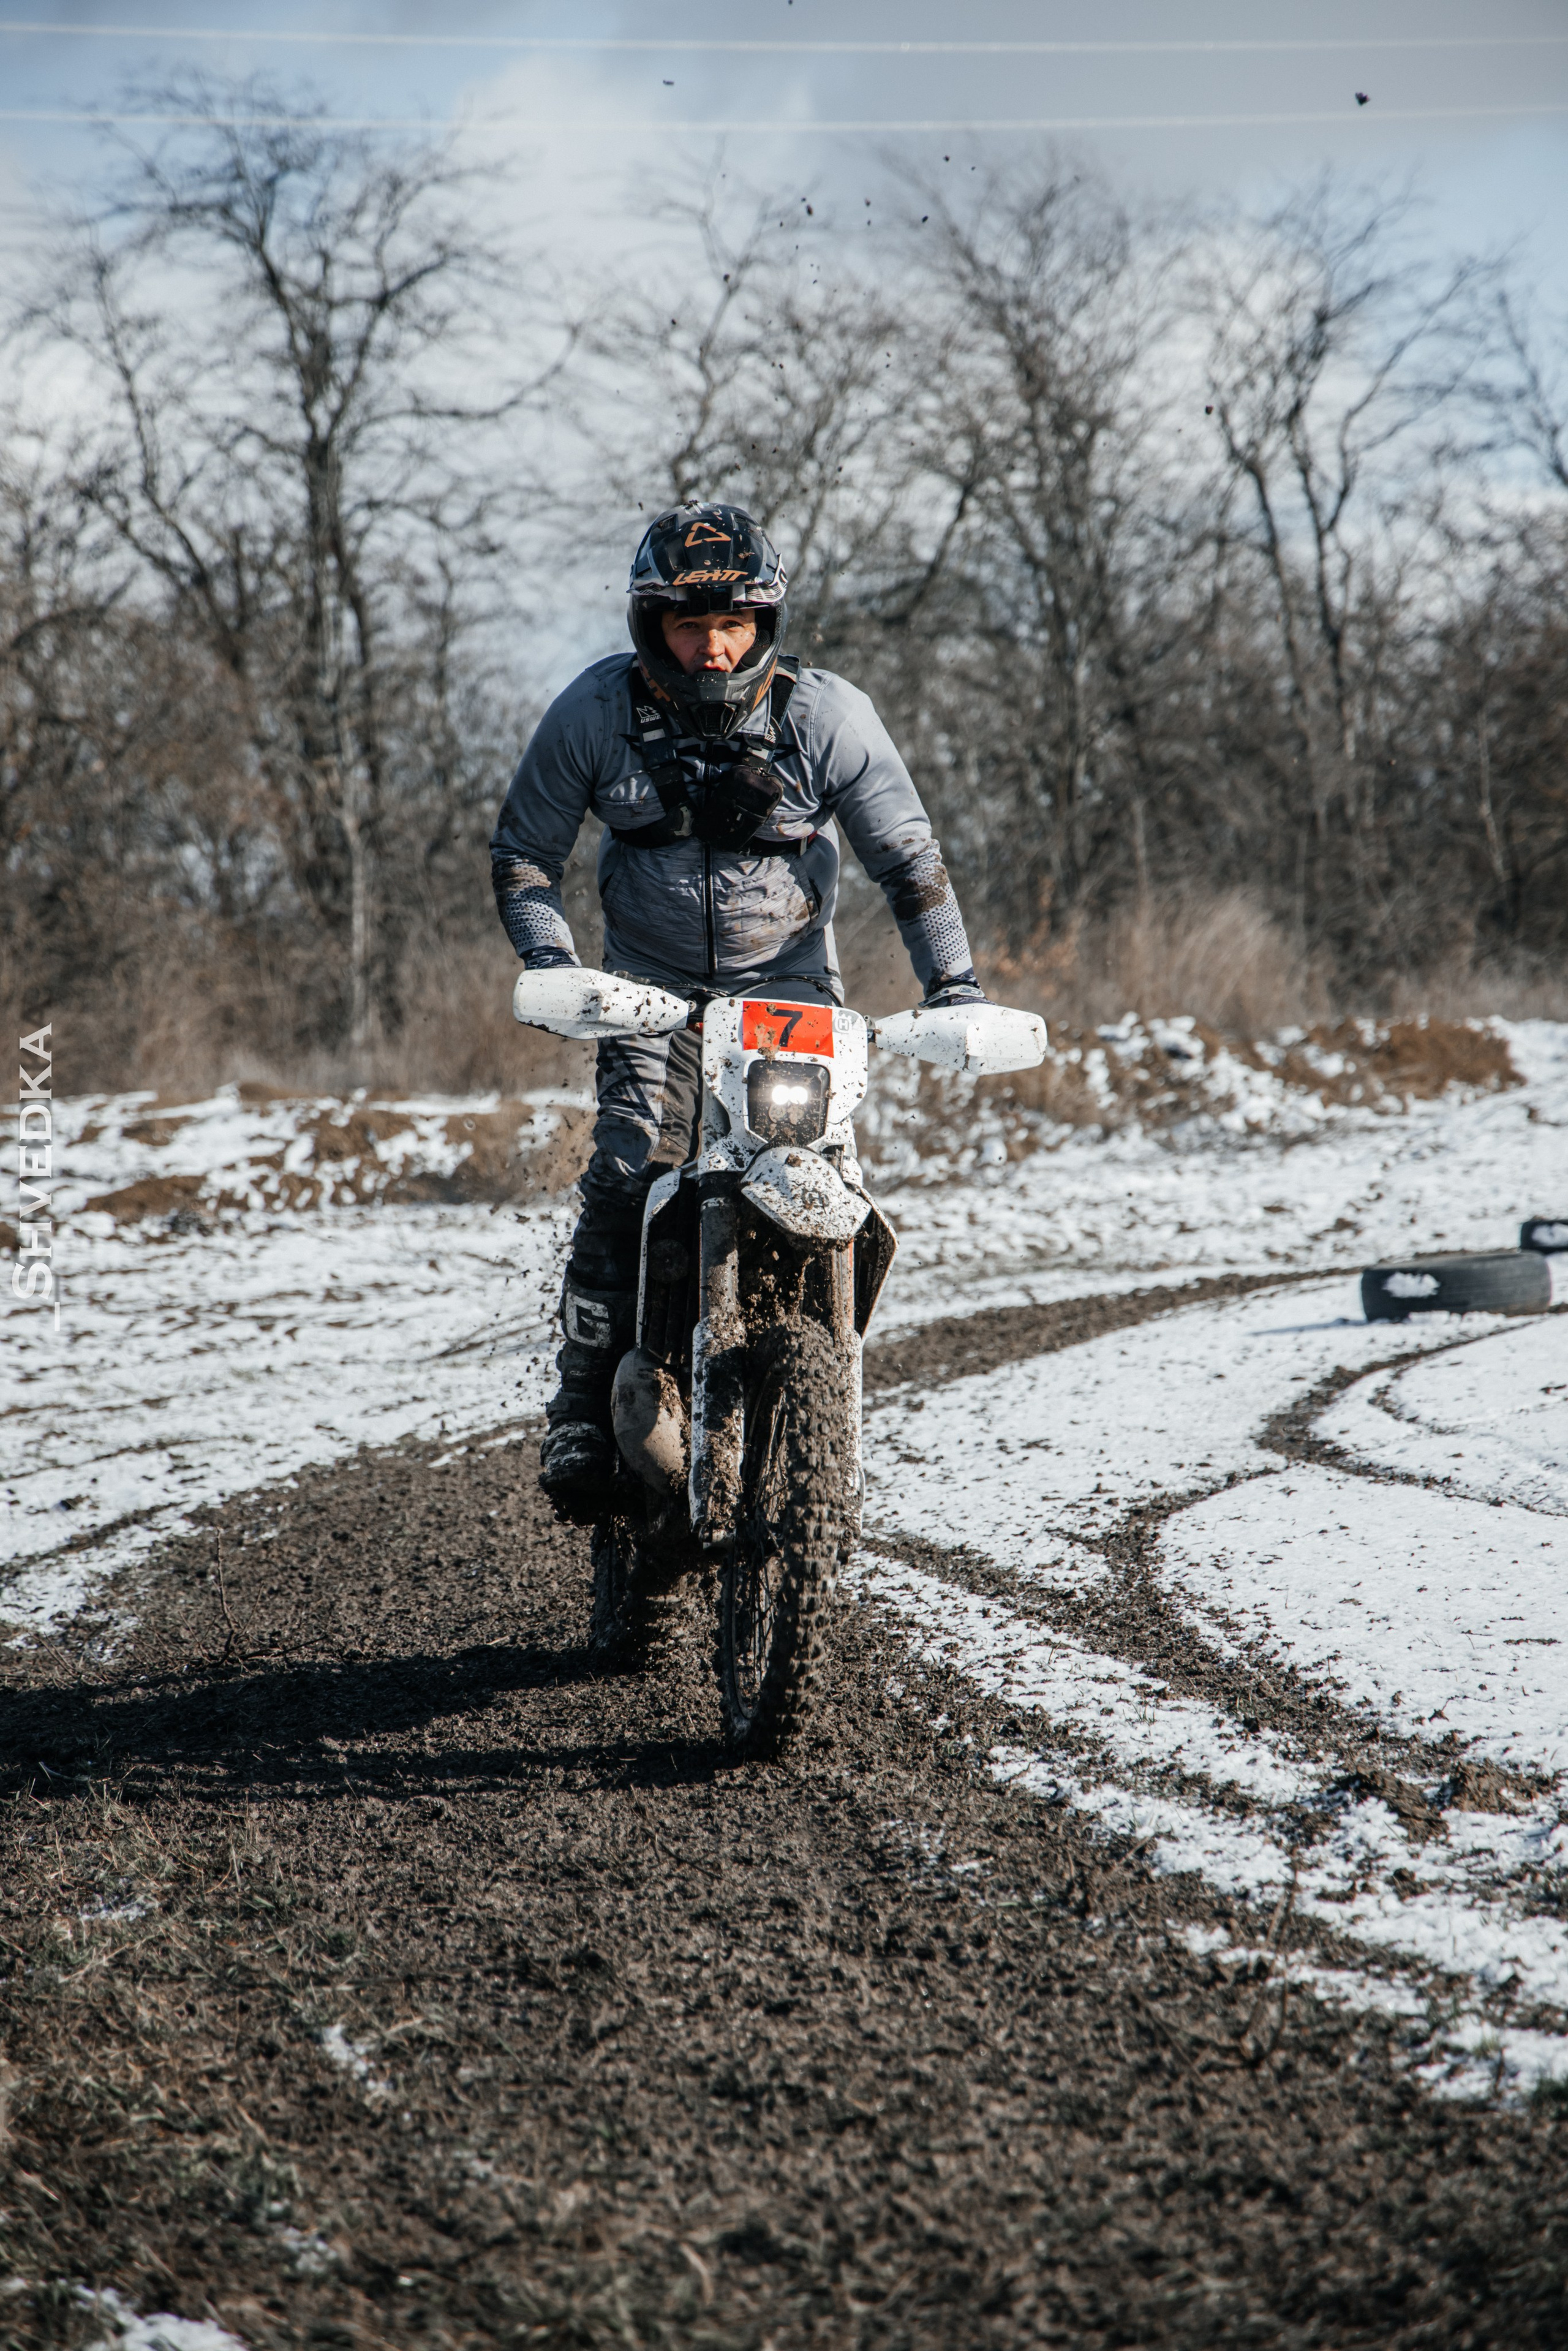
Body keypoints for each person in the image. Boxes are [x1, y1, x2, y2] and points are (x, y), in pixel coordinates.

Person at [491, 501, 984, 1521]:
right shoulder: (593, 712)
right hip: (647, 999)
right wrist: (553, 958)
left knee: (822, 1176)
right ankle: (582, 1405)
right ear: (650, 625)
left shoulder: (826, 717)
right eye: (687, 625)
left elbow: (913, 865)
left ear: (766, 623)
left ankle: (821, 1396)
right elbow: (525, 857)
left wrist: (958, 992)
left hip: (789, 996)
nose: (712, 650)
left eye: (734, 625)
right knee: (629, 1166)